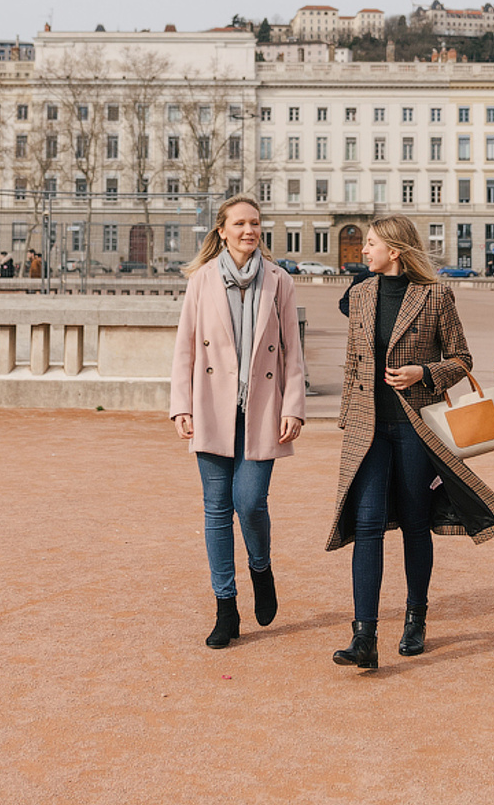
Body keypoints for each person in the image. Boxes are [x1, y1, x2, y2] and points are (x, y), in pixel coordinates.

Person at [326, 215, 494, 669]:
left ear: (394, 250)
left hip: (415, 427)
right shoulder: (359, 294)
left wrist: (423, 373)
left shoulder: (434, 295)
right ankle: (364, 637)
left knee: (414, 522)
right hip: (368, 428)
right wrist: (348, 420)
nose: (362, 251)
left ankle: (415, 617)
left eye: (371, 244)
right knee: (367, 526)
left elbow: (462, 358)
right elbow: (353, 363)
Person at [170, 197, 306, 649]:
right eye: (240, 223)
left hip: (261, 408)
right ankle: (225, 607)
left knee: (248, 503)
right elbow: (185, 349)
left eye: (255, 223)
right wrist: (181, 405)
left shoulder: (279, 281)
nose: (250, 230)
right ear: (222, 231)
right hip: (212, 405)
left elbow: (292, 352)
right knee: (215, 509)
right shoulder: (202, 281)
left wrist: (294, 407)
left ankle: (261, 569)